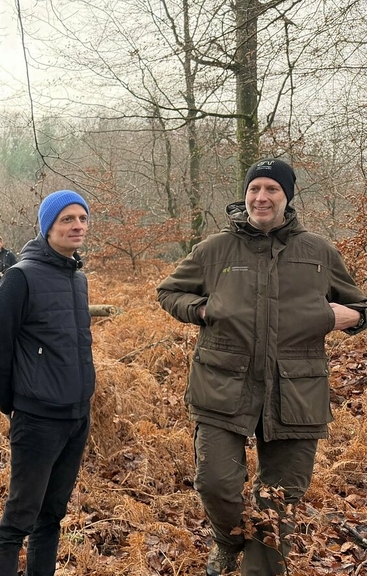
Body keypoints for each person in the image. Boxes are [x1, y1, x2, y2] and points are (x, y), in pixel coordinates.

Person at [157, 158, 367, 576]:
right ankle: (227, 540)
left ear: (287, 197)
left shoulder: (319, 252)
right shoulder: (215, 249)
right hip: (222, 383)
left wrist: (345, 318)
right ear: (245, 195)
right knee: (216, 482)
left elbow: (359, 307)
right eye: (255, 189)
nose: (261, 197)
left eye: (271, 189)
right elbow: (169, 291)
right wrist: (201, 310)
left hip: (296, 391)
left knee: (280, 500)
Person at [0, 190, 94, 576]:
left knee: (51, 517)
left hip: (77, 418)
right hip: (37, 420)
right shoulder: (20, 277)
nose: (77, 225)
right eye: (67, 219)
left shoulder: (78, 278)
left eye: (81, 218)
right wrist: (15, 404)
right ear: (47, 227)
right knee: (18, 520)